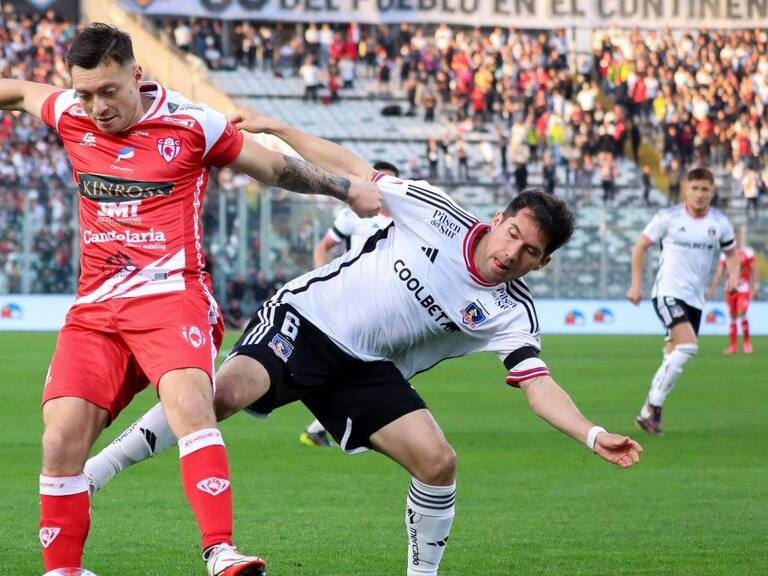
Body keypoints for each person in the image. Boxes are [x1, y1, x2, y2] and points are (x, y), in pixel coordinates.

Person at [85, 111, 642, 576]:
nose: (510, 253)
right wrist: (282, 130)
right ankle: (95, 474)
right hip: (308, 319)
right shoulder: (437, 214)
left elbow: (538, 386)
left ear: (541, 264)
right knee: (222, 395)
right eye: (512, 234)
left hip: (366, 368)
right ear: (499, 220)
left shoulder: (511, 312)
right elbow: (354, 170)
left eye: (528, 252)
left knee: (438, 461)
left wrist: (591, 433)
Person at [0, 23, 380, 576]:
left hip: (171, 298)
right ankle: (63, 571)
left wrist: (345, 189)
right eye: (85, 93)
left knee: (189, 405)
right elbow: (14, 91)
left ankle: (220, 551)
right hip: (95, 312)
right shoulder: (68, 113)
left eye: (109, 91)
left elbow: (273, 166)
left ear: (137, 74)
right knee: (60, 439)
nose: (97, 107)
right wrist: (70, 100)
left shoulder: (192, 124)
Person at [627, 167, 739, 436]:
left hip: (695, 300)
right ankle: (653, 405)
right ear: (686, 189)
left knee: (672, 355)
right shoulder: (668, 218)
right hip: (667, 292)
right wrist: (636, 284)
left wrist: (733, 278)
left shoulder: (720, 223)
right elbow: (641, 246)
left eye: (705, 189)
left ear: (712, 191)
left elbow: (732, 254)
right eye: (695, 188)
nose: (700, 194)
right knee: (688, 346)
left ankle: (648, 415)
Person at [302, 160, 398, 448]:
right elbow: (323, 247)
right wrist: (323, 278)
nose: (389, 191)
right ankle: (332, 424)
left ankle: (322, 427)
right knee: (372, 358)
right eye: (384, 184)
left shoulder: (402, 222)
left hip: (387, 298)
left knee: (372, 358)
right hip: (355, 295)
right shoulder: (354, 216)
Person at [706, 227, 760, 354]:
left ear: (741, 237)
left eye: (738, 237)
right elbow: (719, 272)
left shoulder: (748, 252)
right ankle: (733, 346)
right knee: (733, 317)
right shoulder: (726, 254)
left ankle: (747, 343)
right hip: (730, 289)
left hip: (743, 289)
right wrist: (712, 288)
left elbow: (755, 269)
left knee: (742, 313)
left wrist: (755, 286)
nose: (736, 239)